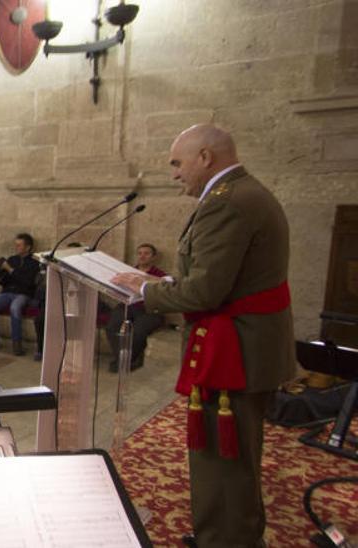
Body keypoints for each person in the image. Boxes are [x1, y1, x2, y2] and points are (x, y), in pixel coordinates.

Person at [110, 125, 293, 548]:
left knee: (223, 461)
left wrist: (145, 289)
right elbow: (220, 276)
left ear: (206, 157)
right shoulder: (239, 194)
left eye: (178, 163)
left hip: (236, 350)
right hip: (244, 344)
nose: (174, 173)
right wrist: (168, 281)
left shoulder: (227, 203)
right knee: (234, 459)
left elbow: (206, 290)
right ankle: (233, 534)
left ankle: (226, 540)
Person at [103, 243, 169, 372]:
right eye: (140, 253)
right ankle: (123, 359)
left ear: (153, 257)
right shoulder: (129, 272)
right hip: (128, 305)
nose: (142, 256)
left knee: (139, 331)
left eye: (146, 253)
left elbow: (163, 293)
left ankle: (129, 360)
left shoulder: (159, 275)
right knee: (112, 325)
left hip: (149, 309)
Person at [0, 233, 41, 356]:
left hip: (23, 293)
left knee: (15, 308)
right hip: (8, 292)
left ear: (28, 247)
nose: (16, 247)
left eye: (19, 245)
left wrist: (10, 270)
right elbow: (4, 281)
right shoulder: (12, 259)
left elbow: (28, 282)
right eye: (16, 245)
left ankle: (16, 343)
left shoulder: (34, 263)